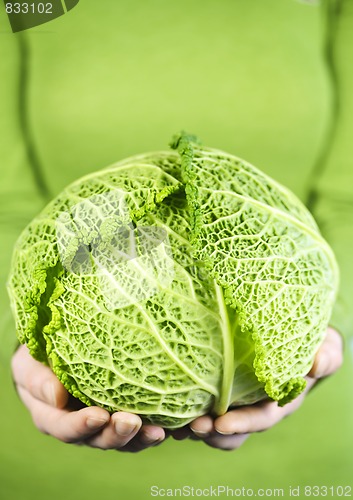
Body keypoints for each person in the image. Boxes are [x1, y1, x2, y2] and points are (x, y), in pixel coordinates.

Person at [1, 0, 351, 454]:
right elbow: (4, 204)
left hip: (316, 449)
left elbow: (349, 204)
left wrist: (334, 325)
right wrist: (18, 340)